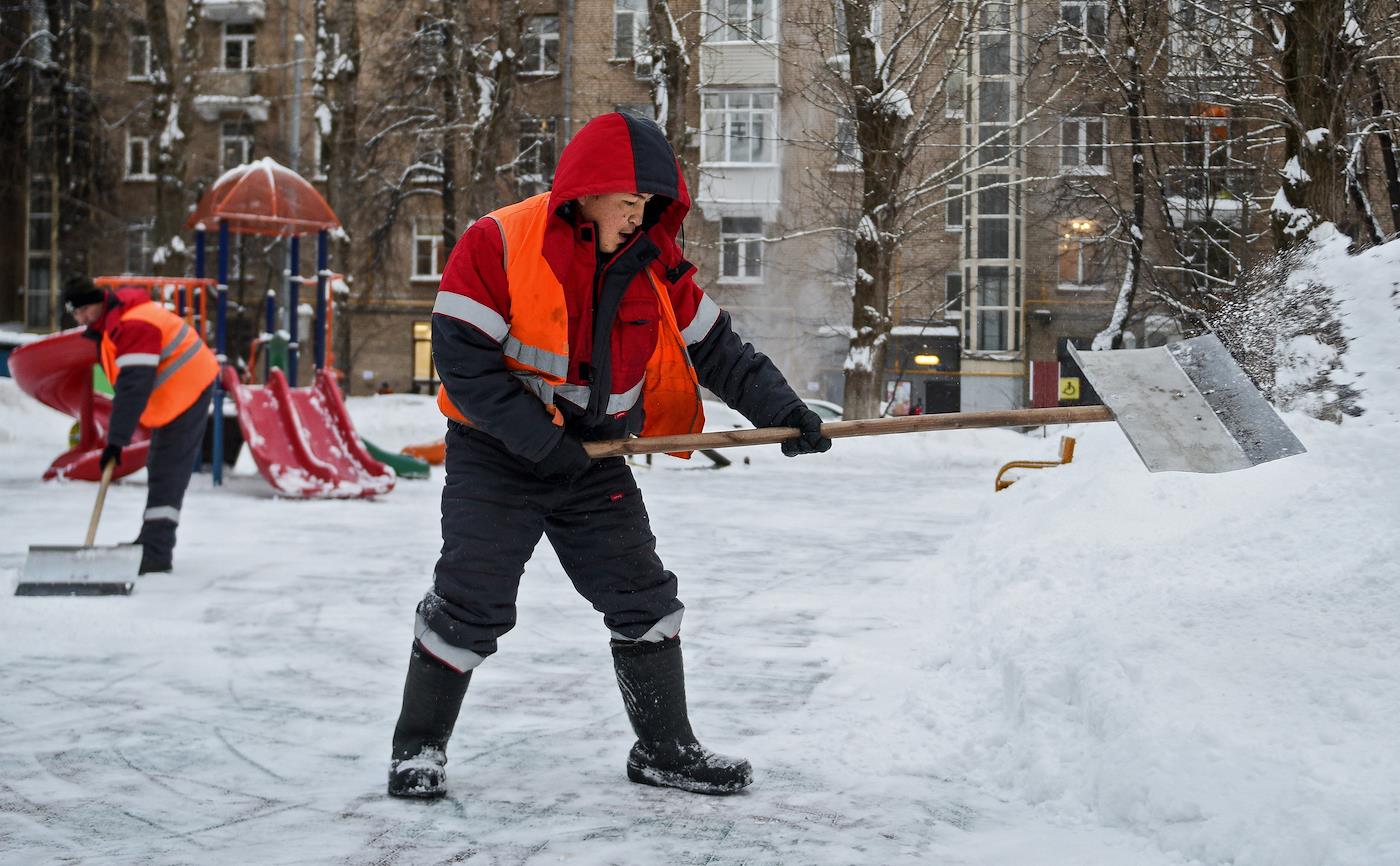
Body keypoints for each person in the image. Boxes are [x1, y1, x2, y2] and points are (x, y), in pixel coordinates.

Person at [388, 113, 831, 799]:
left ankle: (665, 749)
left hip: (592, 459)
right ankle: (417, 749)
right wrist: (540, 441)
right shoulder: (499, 241)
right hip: (496, 454)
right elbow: (462, 359)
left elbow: (718, 350)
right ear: (586, 191)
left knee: (644, 598)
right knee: (471, 602)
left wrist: (784, 412)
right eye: (628, 203)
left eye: (648, 205)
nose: (638, 216)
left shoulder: (654, 264)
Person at [62, 276, 219, 575]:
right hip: (175, 393)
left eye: (83, 310)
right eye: (75, 313)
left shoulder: (133, 324)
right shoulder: (114, 324)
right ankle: (150, 542)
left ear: (98, 302)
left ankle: (157, 552)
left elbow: (133, 387)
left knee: (167, 470)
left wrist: (116, 442)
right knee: (159, 465)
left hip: (189, 388)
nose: (81, 318)